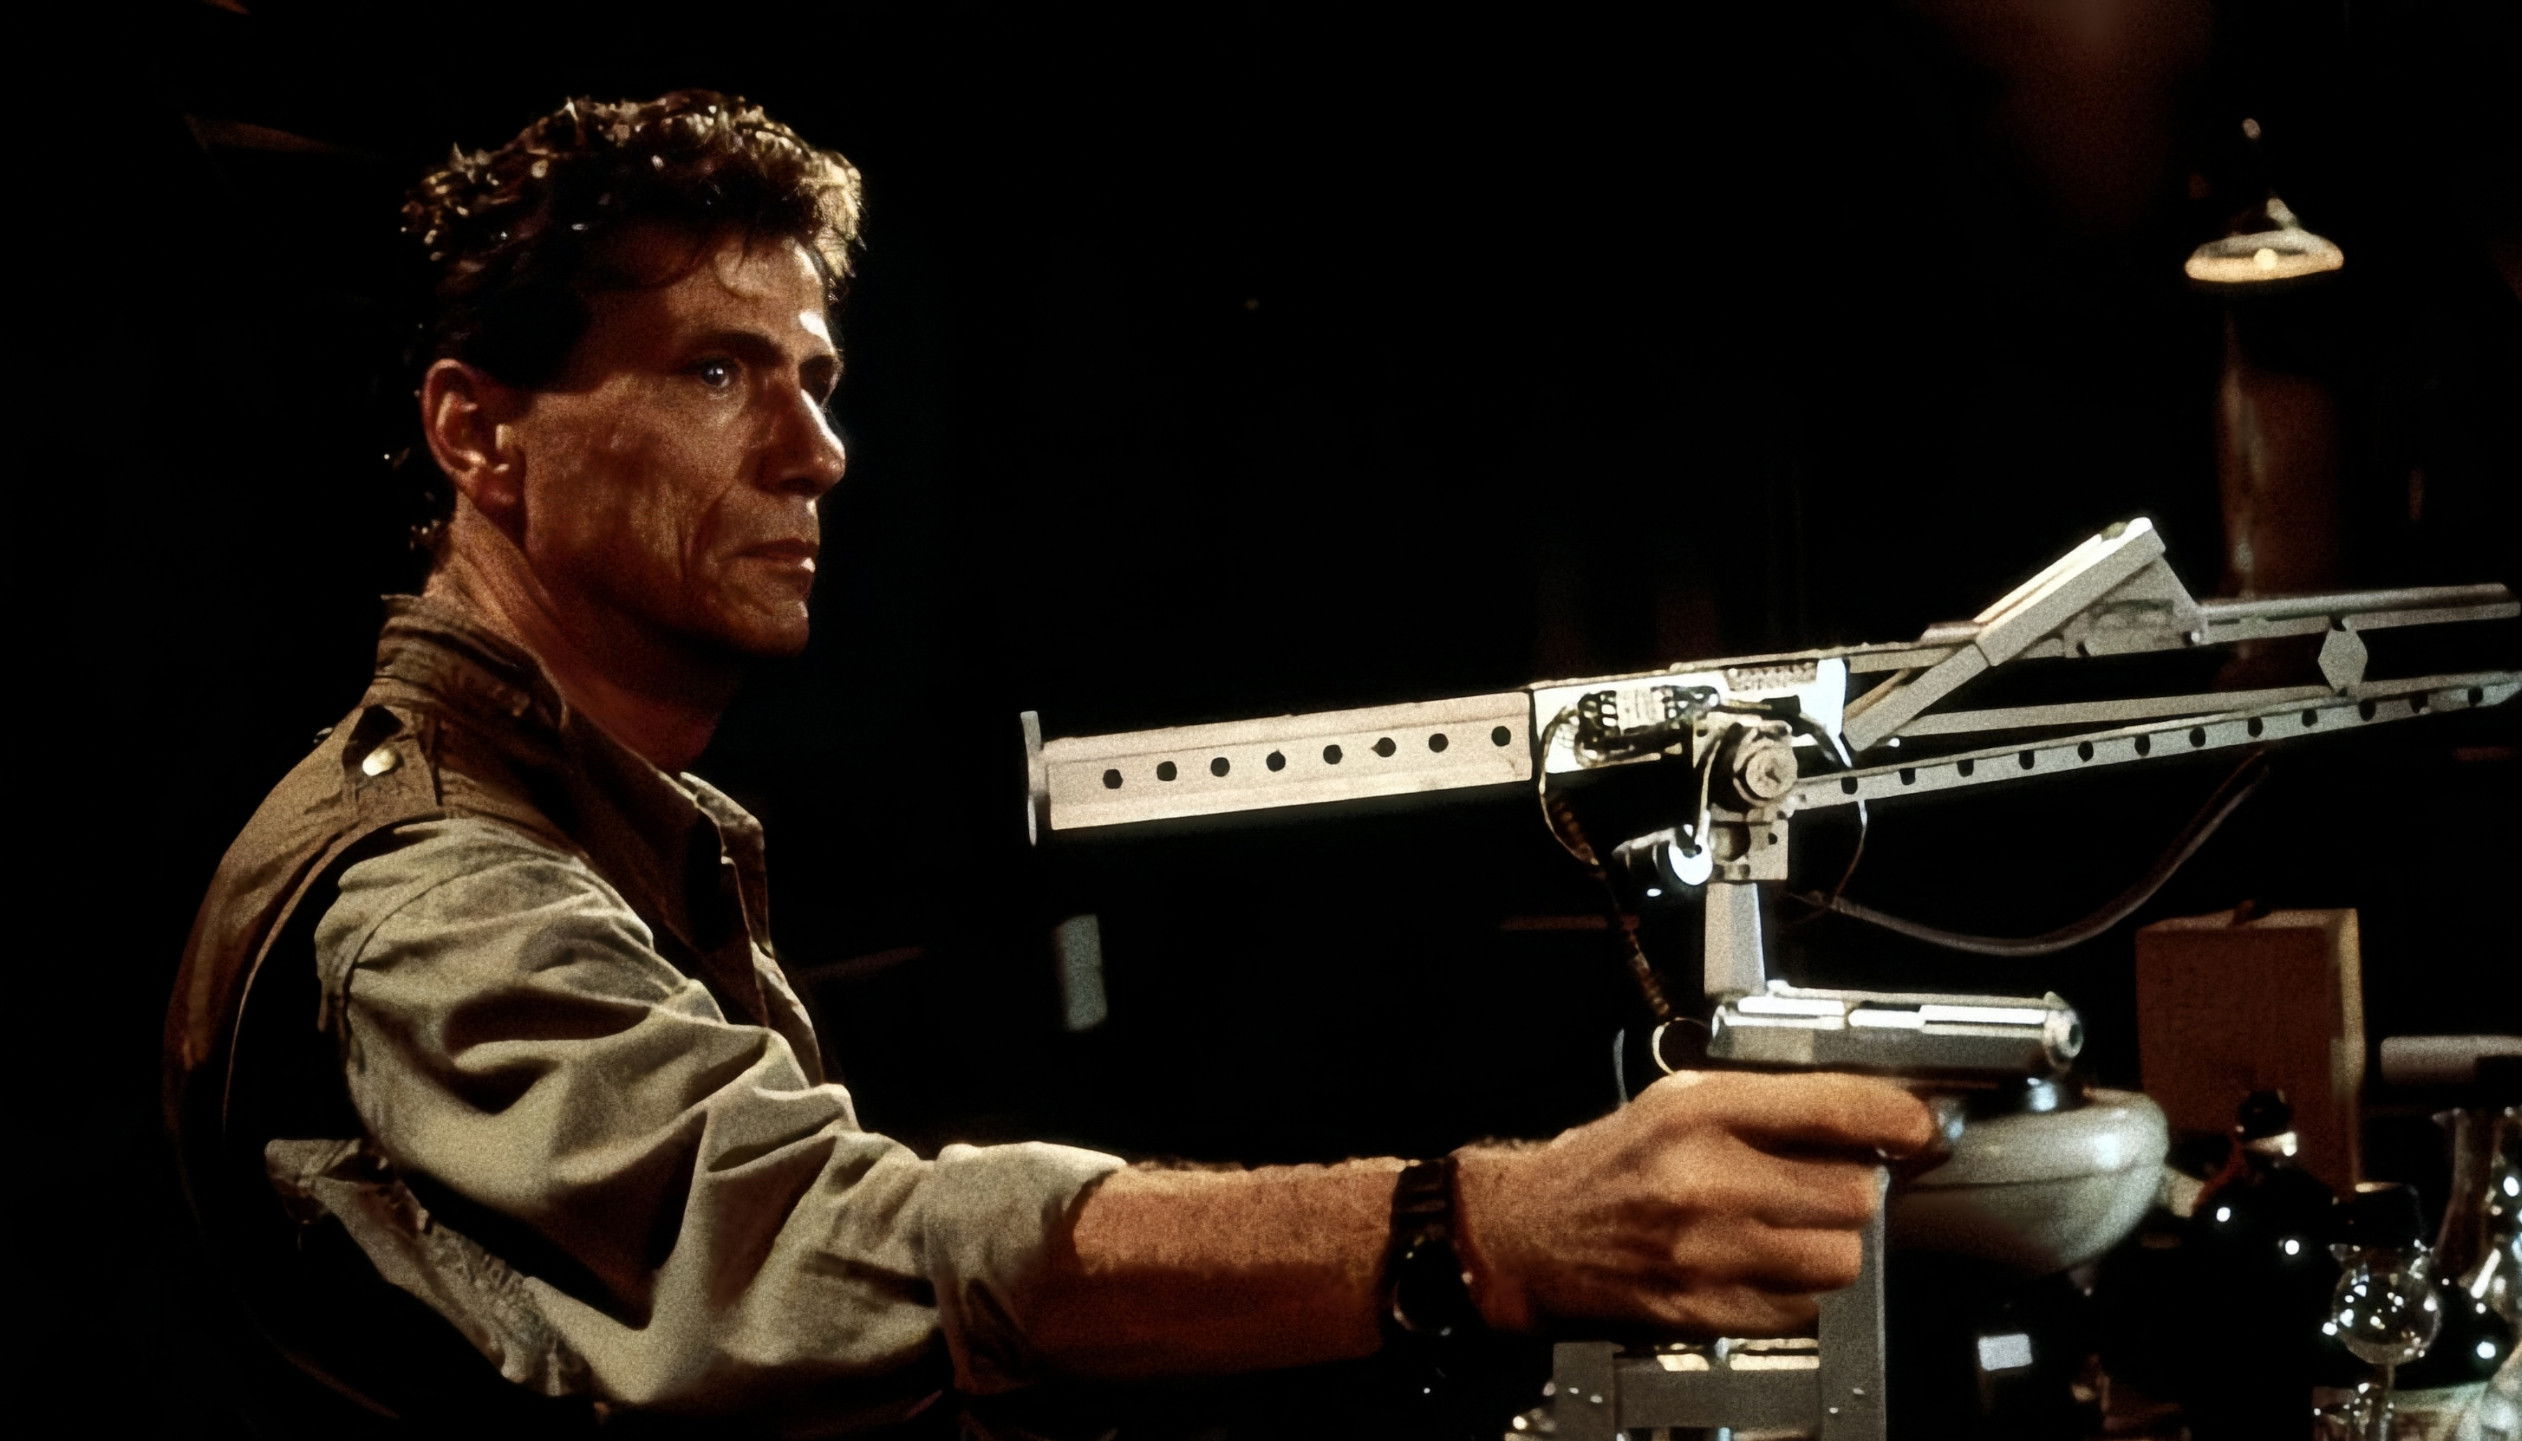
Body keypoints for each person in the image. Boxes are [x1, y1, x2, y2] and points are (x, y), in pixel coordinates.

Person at [165, 90, 1937, 1437]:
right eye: (716, 372)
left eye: (816, 378)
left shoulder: (618, 824)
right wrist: (1481, 1226)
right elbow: (804, 1245)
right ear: (480, 434)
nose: (816, 450)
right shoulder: (436, 899)